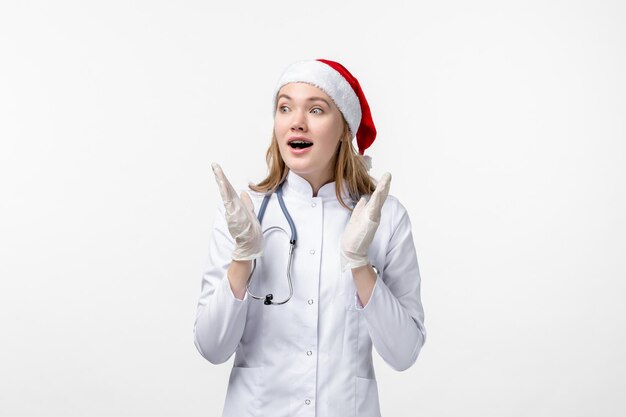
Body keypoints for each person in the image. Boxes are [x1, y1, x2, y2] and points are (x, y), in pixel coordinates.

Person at [193, 59, 426, 417]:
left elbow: (404, 353)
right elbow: (211, 348)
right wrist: (243, 257)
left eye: (316, 109)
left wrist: (361, 266)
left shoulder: (384, 217)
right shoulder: (243, 213)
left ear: (345, 129)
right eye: (285, 107)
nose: (296, 121)